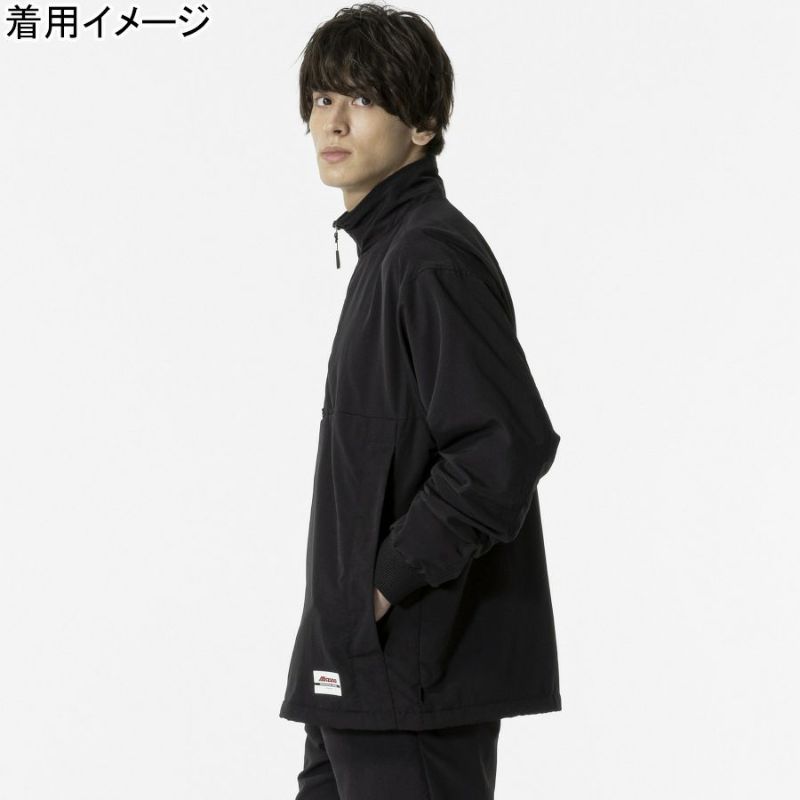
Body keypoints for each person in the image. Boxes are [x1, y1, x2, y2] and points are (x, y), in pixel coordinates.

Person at [279, 4, 562, 798]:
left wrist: (383, 584)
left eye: (363, 98)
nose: (332, 120)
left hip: (411, 673)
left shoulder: (427, 257)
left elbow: (503, 447)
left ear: (423, 126)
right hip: (356, 667)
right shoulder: (387, 254)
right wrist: (347, 611)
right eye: (322, 98)